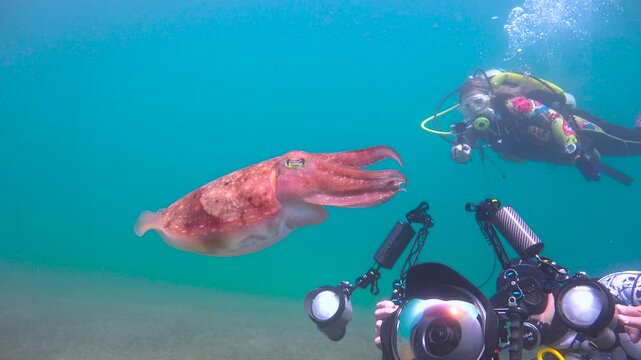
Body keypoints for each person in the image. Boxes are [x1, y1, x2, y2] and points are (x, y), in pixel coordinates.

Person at [373, 267, 641, 359]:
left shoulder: (621, 290)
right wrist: (404, 336)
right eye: (514, 311)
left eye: (530, 298)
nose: (526, 314)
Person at [448, 70, 641, 184]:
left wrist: (576, 151)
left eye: (478, 102)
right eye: (467, 107)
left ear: (490, 97)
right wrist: (460, 150)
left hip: (583, 131)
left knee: (636, 143)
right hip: (573, 154)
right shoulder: (478, 127)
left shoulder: (515, 105)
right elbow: (465, 140)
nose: (475, 111)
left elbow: (554, 119)